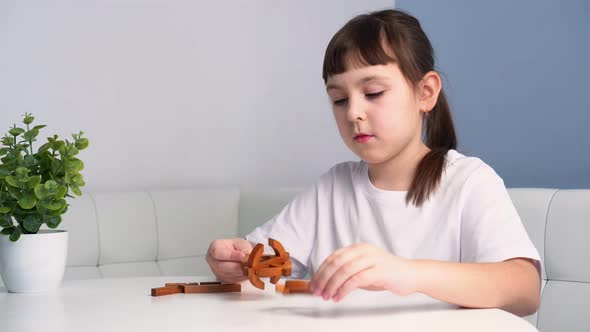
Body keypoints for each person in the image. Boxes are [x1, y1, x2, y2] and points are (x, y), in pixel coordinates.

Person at [206, 9, 541, 317]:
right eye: (339, 99)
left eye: (374, 92)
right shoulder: (333, 188)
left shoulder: (468, 182)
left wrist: (404, 272)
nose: (353, 112)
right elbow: (263, 271)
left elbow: (524, 289)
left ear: (425, 93)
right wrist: (236, 261)